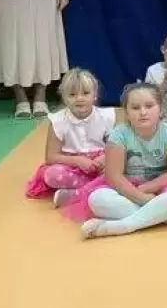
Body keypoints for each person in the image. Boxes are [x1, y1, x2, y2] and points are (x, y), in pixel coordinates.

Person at [63, 83, 167, 238]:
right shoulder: (119, 134)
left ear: (160, 109)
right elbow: (114, 176)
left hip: (161, 189)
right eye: (135, 108)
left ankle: (123, 226)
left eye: (149, 106)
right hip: (126, 190)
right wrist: (139, 197)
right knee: (96, 199)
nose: (143, 112)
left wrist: (145, 189)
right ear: (127, 113)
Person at [25, 68, 116, 206]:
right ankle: (97, 188)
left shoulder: (106, 116)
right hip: (72, 165)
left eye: (85, 93)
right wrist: (78, 161)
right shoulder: (58, 120)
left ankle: (75, 195)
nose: (79, 98)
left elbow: (115, 148)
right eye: (72, 95)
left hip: (100, 164)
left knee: (124, 167)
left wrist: (103, 159)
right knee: (51, 175)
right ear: (64, 97)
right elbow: (51, 157)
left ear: (95, 95)